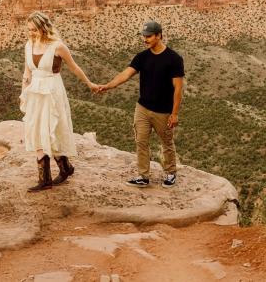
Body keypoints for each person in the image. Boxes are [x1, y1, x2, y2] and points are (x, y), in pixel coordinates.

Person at [98, 21, 184, 188]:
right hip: (143, 108)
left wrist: (174, 113)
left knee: (166, 142)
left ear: (159, 35)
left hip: (163, 111)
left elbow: (178, 89)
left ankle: (171, 173)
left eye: (149, 36)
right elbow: (125, 74)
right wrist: (108, 86)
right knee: (141, 141)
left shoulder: (174, 59)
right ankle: (143, 176)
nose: (145, 39)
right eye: (144, 36)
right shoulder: (142, 57)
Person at [20, 11, 98, 192]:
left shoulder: (58, 46)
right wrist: (24, 94)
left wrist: (89, 84)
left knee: (51, 129)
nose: (31, 33)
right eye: (29, 30)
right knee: (36, 131)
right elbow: (27, 73)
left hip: (52, 92)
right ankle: (47, 179)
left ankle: (64, 168)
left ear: (43, 28)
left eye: (34, 30)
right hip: (35, 93)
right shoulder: (28, 45)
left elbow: (75, 68)